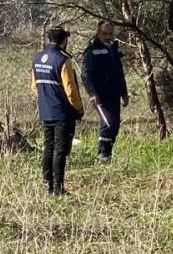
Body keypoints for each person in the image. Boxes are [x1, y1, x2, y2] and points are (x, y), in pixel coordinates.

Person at [31, 27, 84, 195]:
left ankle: (47, 185)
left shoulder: (37, 58)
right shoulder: (63, 60)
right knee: (60, 150)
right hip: (62, 112)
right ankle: (58, 189)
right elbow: (70, 89)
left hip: (45, 110)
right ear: (64, 41)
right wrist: (78, 108)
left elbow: (34, 87)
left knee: (48, 147)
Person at [81, 20, 129, 163]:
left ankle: (107, 154)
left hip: (114, 93)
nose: (107, 36)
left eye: (110, 33)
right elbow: (85, 74)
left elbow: (119, 73)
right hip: (100, 95)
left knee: (115, 126)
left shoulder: (113, 49)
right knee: (108, 123)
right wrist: (92, 93)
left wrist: (124, 93)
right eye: (104, 33)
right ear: (98, 32)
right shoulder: (91, 51)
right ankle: (103, 155)